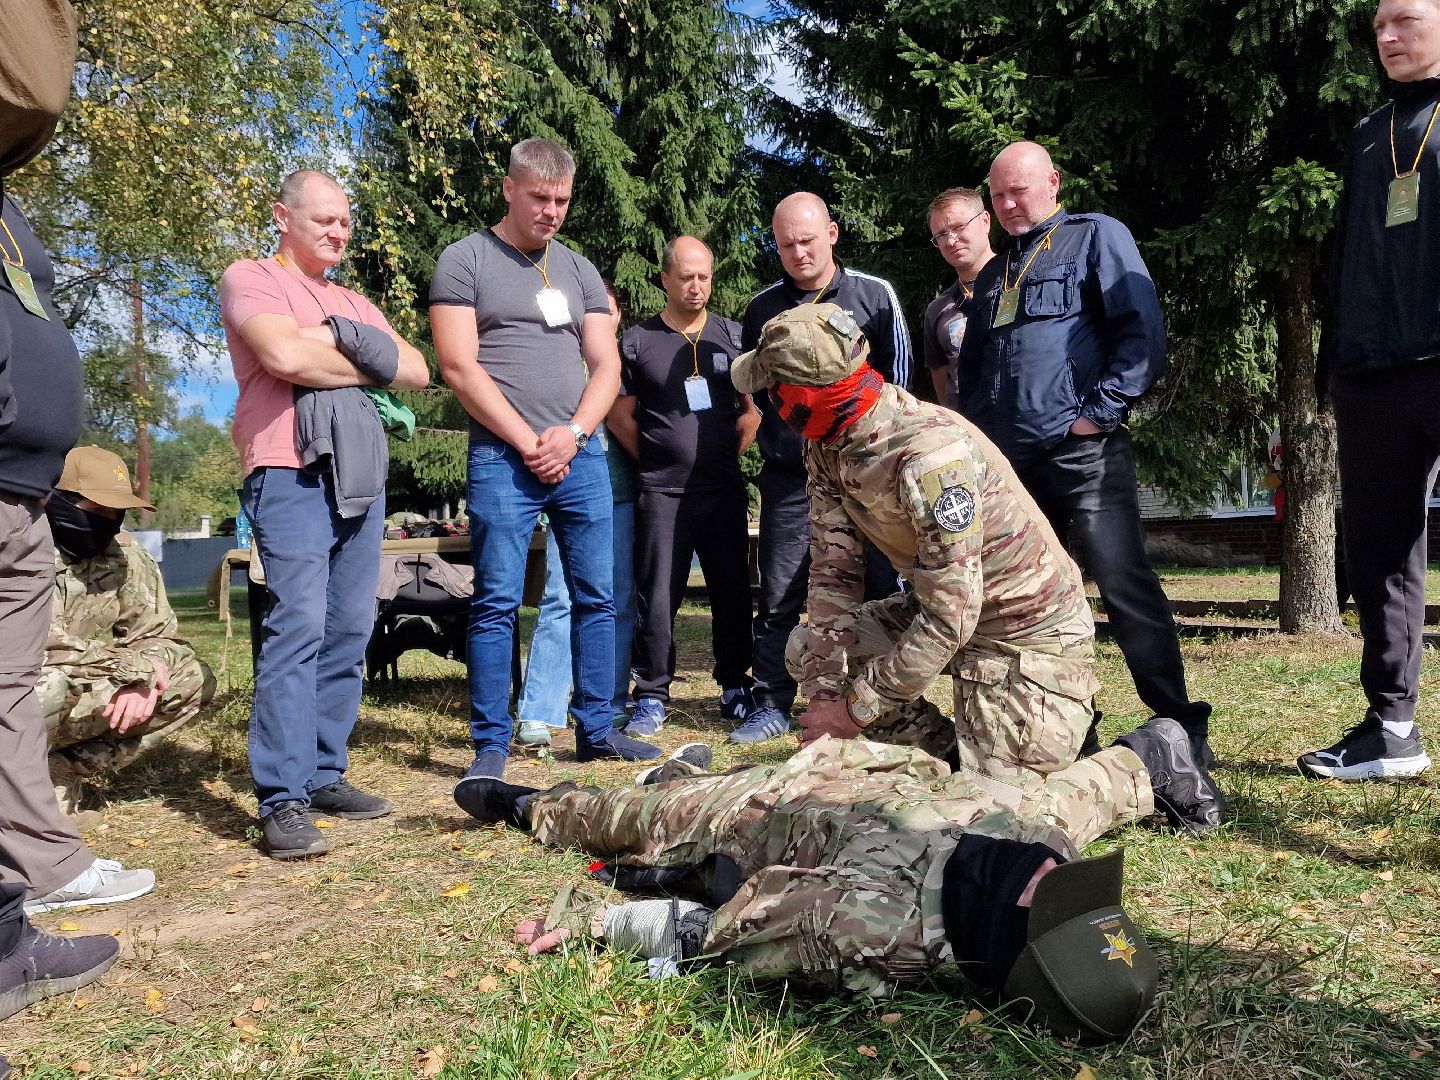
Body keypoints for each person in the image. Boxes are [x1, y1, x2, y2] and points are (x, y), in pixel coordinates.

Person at [734, 304, 1223, 839]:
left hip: (1025, 637)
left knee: (998, 829)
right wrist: (828, 693)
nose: (766, 401)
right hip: (948, 615)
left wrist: (855, 711)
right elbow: (834, 572)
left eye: (772, 387)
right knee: (813, 646)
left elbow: (953, 615)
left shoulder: (928, 454)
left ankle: (1143, 763)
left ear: (807, 395)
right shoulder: (828, 445)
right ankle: (960, 760)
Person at [455, 737, 1159, 1042]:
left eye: (1055, 895)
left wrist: (600, 925)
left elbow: (720, 935)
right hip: (838, 772)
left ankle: (526, 804)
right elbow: (1116, 775)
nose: (1056, 867)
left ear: (1012, 936)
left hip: (748, 818)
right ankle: (672, 779)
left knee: (616, 820)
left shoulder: (864, 927)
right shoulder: (1041, 835)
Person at [956, 141, 1214, 765]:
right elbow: (975, 373)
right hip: (1012, 470)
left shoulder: (1095, 236)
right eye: (999, 194)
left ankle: (1180, 725)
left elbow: (1142, 332)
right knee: (1027, 602)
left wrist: (1096, 416)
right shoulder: (993, 275)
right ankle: (1066, 731)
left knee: (1124, 585)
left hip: (1083, 456)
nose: (1011, 203)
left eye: (1021, 189)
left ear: (1053, 183)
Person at [430, 138, 660, 776]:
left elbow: (607, 363)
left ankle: (594, 730)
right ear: (509, 189)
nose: (552, 211)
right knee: (498, 601)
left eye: (561, 200)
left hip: (579, 456)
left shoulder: (579, 269)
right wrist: (530, 440)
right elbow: (458, 366)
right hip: (503, 459)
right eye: (540, 198)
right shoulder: (465, 261)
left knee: (596, 597)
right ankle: (491, 748)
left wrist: (576, 434)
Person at [220, 169, 430, 859]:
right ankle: (281, 798)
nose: (340, 232)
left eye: (346, 221)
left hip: (359, 476)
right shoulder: (250, 277)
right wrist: (364, 359)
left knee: (349, 628)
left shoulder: (353, 300)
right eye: (325, 221)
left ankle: (322, 773)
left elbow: (418, 371)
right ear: (283, 216)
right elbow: (281, 354)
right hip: (288, 469)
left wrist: (335, 337)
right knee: (298, 625)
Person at [1, 0, 154, 915]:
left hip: (16, 481)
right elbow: (34, 81)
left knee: (8, 690)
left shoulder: (13, 207)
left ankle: (39, 870)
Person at [1301, 0, 1440, 780]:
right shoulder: (1366, 133)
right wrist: (1337, 362)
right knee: (1382, 550)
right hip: (1371, 373)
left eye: (1406, 20)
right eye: (1380, 26)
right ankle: (1392, 729)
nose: (1388, 37)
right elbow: (1346, 257)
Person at [740, 192, 914, 743]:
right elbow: (762, 395)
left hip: (869, 472)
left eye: (807, 241)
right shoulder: (761, 310)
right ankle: (769, 701)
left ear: (832, 233)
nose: (798, 253)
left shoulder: (874, 296)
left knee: (880, 583)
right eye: (786, 244)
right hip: (792, 477)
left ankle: (876, 703)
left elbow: (898, 382)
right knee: (781, 587)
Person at [608, 236, 760, 739]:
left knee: (732, 590)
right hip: (662, 493)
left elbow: (751, 413)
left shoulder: (733, 338)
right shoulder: (637, 342)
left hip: (722, 490)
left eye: (705, 276)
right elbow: (618, 413)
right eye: (687, 277)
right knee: (658, 594)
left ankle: (736, 685)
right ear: (665, 280)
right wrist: (657, 459)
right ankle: (651, 694)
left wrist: (716, 459)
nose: (697, 286)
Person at [41, 446, 216, 822]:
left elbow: (160, 635)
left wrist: (147, 668)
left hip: (92, 684)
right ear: (57, 499)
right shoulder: (19, 550)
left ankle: (62, 772)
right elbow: (43, 648)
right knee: (49, 684)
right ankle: (18, 794)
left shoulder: (124, 553)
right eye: (96, 510)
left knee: (192, 677)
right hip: (28, 691)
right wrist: (130, 671)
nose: (108, 521)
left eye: (116, 512)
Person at [514, 282, 638, 747]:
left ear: (618, 317)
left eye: (607, 312)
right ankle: (540, 711)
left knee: (614, 602)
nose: (598, 320)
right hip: (564, 492)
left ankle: (605, 705)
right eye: (591, 313)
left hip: (620, 493)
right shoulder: (559, 358)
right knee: (561, 598)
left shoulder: (625, 365)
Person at [922, 187, 996, 409]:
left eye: (958, 227)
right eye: (941, 235)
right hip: (970, 435)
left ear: (985, 221)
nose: (951, 241)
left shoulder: (1020, 283)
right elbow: (942, 380)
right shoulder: (938, 310)